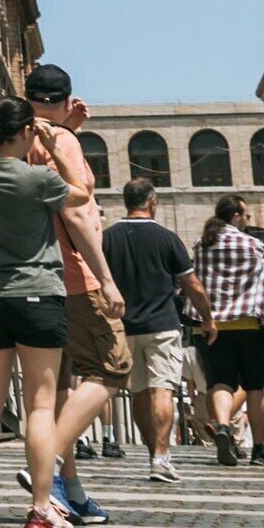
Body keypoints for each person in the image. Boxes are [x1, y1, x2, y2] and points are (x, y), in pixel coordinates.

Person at [0, 95, 103, 528]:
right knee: (39, 405)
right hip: (38, 297)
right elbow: (83, 192)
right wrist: (56, 145)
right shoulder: (39, 180)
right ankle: (40, 510)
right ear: (24, 133)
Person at [20, 65, 127, 524]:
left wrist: (63, 129)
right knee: (113, 367)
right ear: (66, 101)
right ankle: (47, 462)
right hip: (74, 278)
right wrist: (105, 278)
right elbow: (80, 215)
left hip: (32, 279)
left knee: (57, 391)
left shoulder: (18, 141)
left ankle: (69, 490)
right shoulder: (63, 143)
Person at [98, 182, 196, 482]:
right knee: (162, 389)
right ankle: (161, 457)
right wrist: (207, 317)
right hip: (162, 325)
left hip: (124, 326)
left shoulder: (108, 238)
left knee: (139, 392)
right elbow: (192, 285)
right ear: (152, 202)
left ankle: (154, 454)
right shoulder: (167, 238)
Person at [191, 193, 264, 465]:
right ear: (236, 216)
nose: (248, 220)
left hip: (213, 326)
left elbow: (195, 282)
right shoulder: (253, 244)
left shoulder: (202, 244)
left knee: (221, 382)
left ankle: (222, 427)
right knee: (255, 386)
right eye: (246, 215)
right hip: (249, 326)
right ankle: (259, 449)